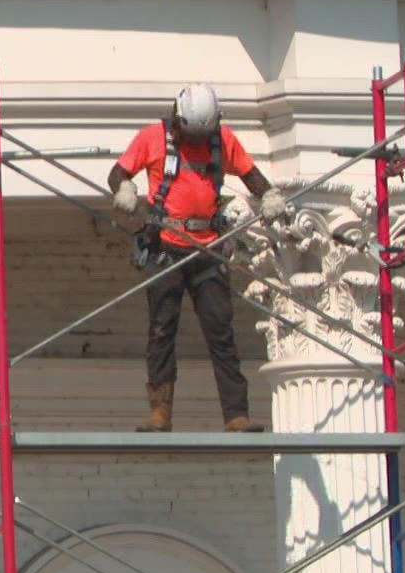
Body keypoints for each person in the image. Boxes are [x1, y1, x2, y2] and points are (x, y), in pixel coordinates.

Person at [108, 84, 288, 434]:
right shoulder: (153, 138)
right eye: (188, 134)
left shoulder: (222, 141)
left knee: (220, 331)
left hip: (206, 249)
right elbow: (118, 172)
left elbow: (252, 176)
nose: (193, 142)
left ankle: (236, 415)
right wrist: (125, 189)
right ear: (177, 122)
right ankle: (160, 412)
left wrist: (269, 195)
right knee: (162, 329)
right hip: (165, 247)